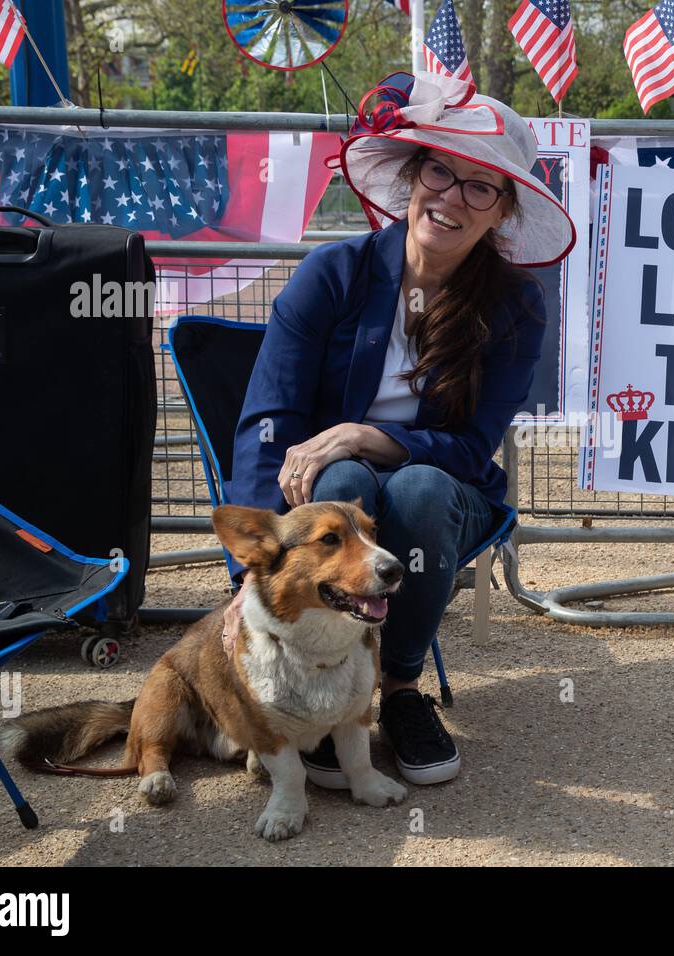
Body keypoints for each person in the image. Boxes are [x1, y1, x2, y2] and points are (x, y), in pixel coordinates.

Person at [221, 72, 574, 787]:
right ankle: (321, 686)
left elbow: (474, 448)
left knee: (409, 486)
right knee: (345, 486)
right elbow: (271, 418)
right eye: (441, 172)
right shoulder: (333, 274)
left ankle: (400, 691)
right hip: (328, 496)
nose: (451, 198)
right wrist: (250, 573)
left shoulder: (515, 308)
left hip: (446, 489)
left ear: (502, 213)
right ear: (414, 176)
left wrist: (361, 433)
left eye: (481, 188)